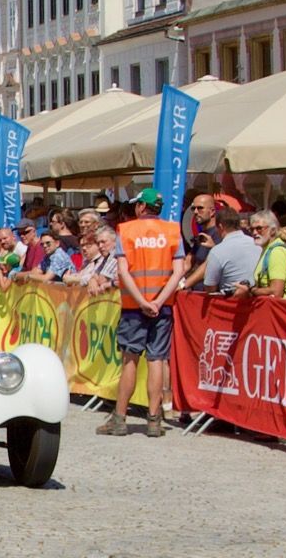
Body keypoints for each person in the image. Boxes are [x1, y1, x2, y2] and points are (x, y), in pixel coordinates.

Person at [99, 187, 185, 438]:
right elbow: (178, 271)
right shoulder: (173, 231)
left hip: (133, 307)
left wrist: (142, 301)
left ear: (140, 207)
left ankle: (120, 418)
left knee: (130, 360)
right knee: (156, 360)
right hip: (162, 307)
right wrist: (158, 301)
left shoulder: (126, 231)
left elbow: (123, 271)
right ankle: (154, 420)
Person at [186, 208, 259, 293]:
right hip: (256, 300)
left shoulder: (217, 251)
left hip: (229, 302)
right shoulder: (256, 244)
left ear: (220, 227)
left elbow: (210, 287)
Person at [237, 212, 286, 299]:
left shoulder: (277, 252)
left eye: (259, 228)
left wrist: (251, 290)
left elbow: (276, 292)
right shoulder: (267, 249)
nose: (254, 233)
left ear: (272, 230)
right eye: (251, 229)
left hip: (276, 309)